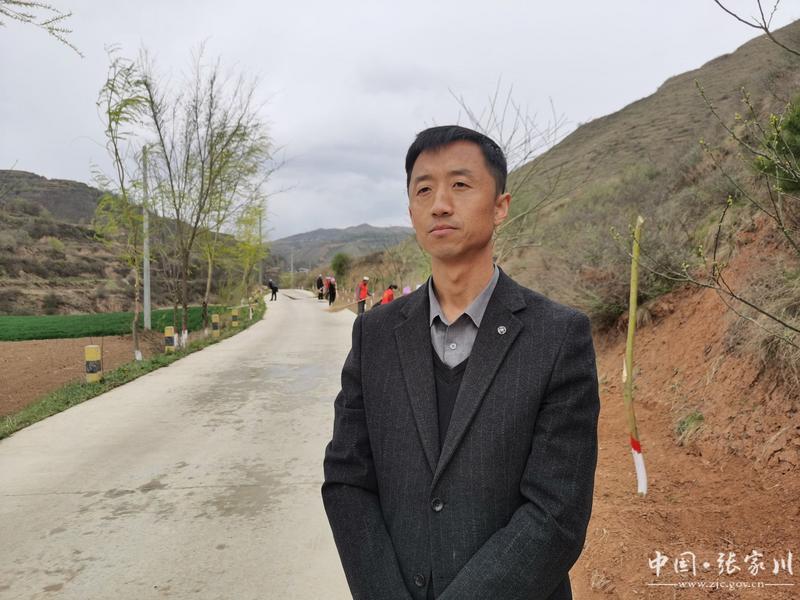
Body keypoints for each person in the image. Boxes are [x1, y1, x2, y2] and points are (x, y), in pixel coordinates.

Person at [322, 125, 600, 600]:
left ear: (500, 206)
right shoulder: (374, 335)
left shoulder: (557, 336)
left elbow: (557, 512)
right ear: (411, 212)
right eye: (424, 189)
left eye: (460, 184)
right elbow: (347, 480)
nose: (440, 204)